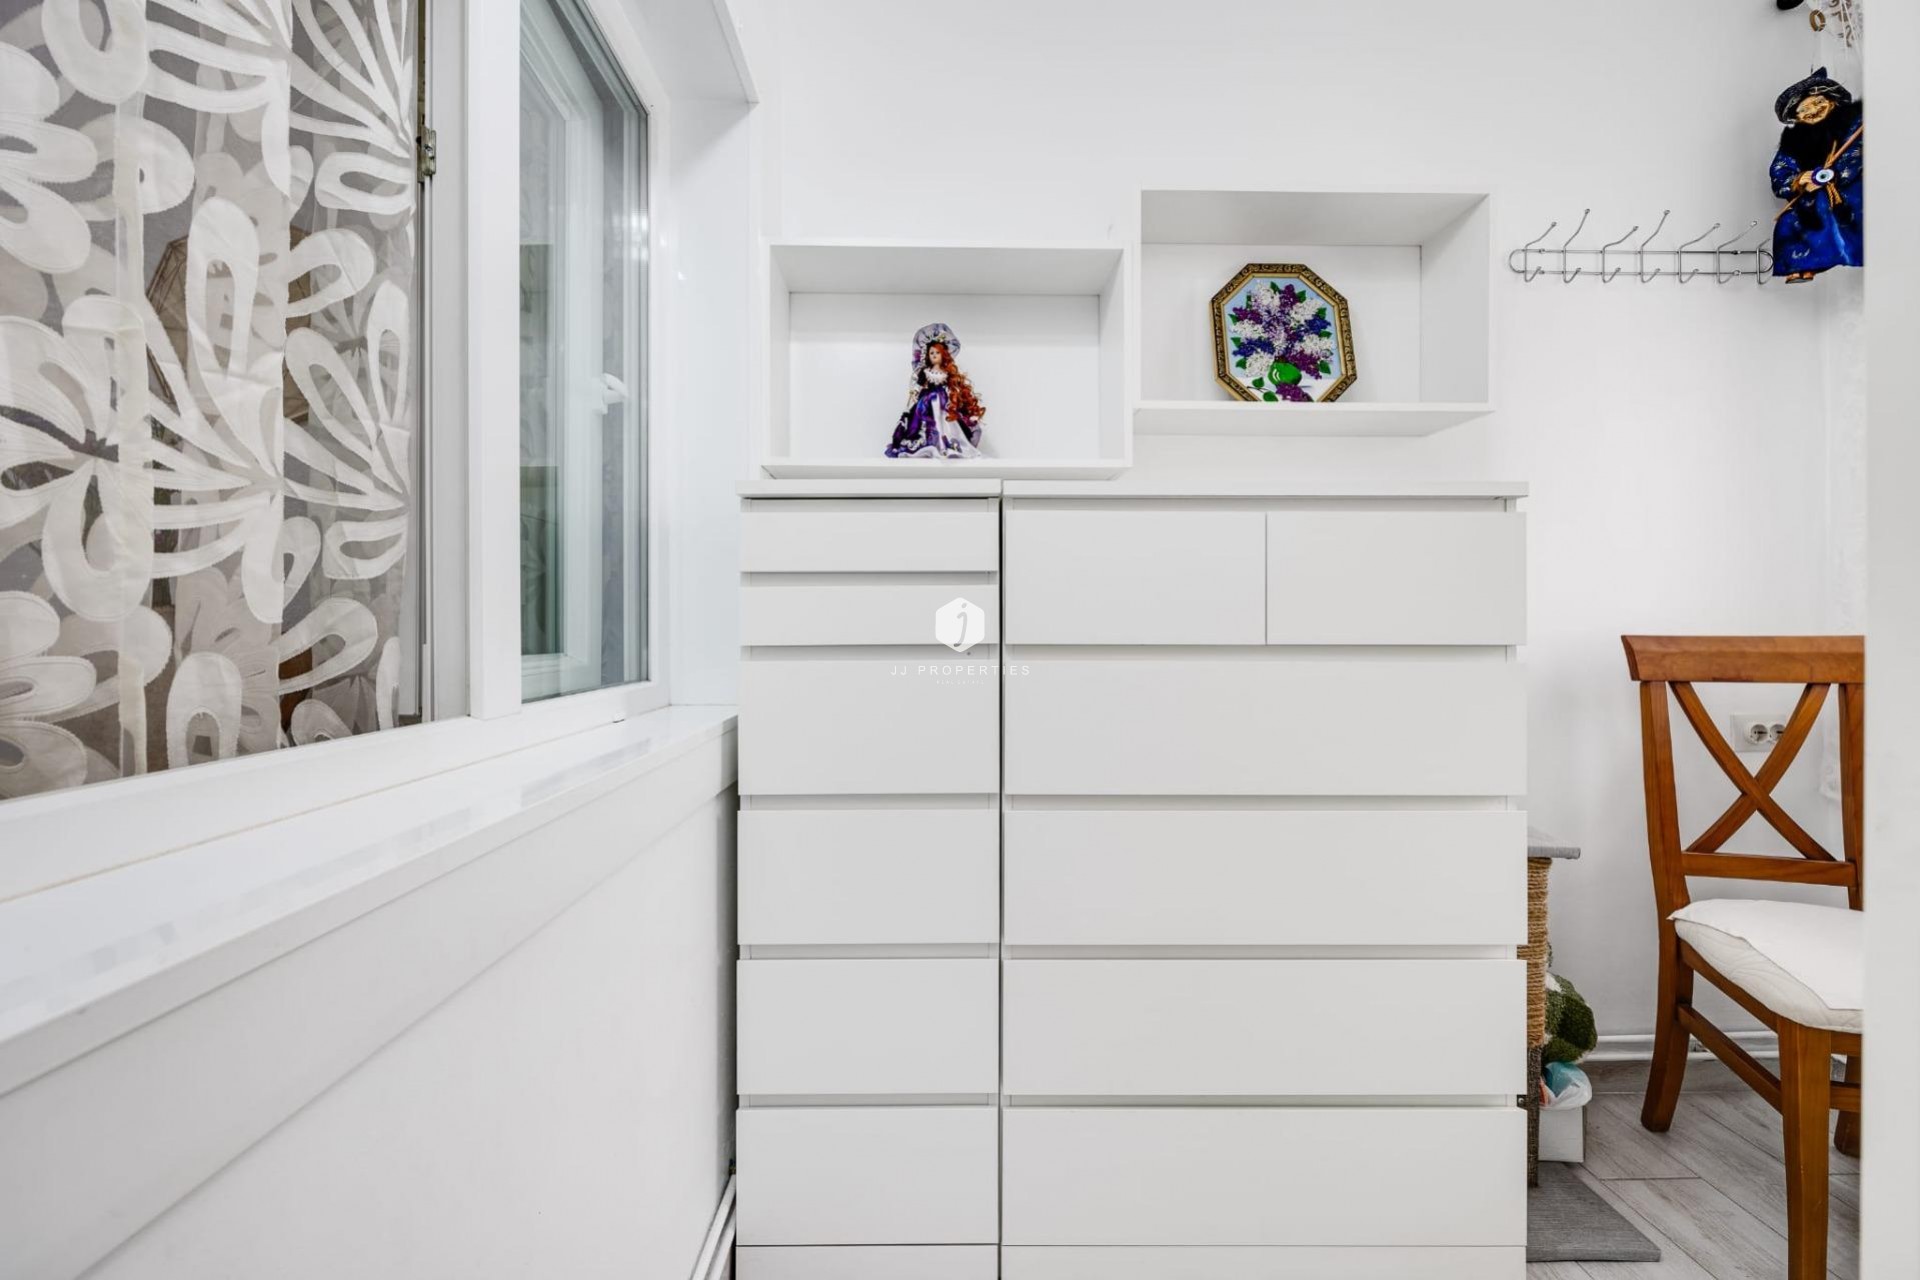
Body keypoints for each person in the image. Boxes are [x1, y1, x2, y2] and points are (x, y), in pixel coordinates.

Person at [1770, 67, 1863, 282]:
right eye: (1805, 109)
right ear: (1797, 116)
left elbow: (1856, 155)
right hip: (1810, 198)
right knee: (1789, 221)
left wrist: (1835, 175)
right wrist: (1798, 181)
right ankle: (1801, 267)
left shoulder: (1853, 126)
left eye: (1819, 102)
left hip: (1848, 191)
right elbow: (1780, 172)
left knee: (1845, 216)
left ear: (1832, 102)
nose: (1813, 110)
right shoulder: (1793, 143)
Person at [884, 322, 985, 459]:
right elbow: (918, 385)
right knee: (923, 423)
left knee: (946, 423)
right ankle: (929, 443)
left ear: (944, 355)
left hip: (943, 402)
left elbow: (952, 386)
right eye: (931, 353)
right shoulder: (925, 371)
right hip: (926, 402)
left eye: (937, 352)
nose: (934, 355)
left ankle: (945, 444)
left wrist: (956, 397)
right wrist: (914, 393)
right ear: (927, 355)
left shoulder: (947, 372)